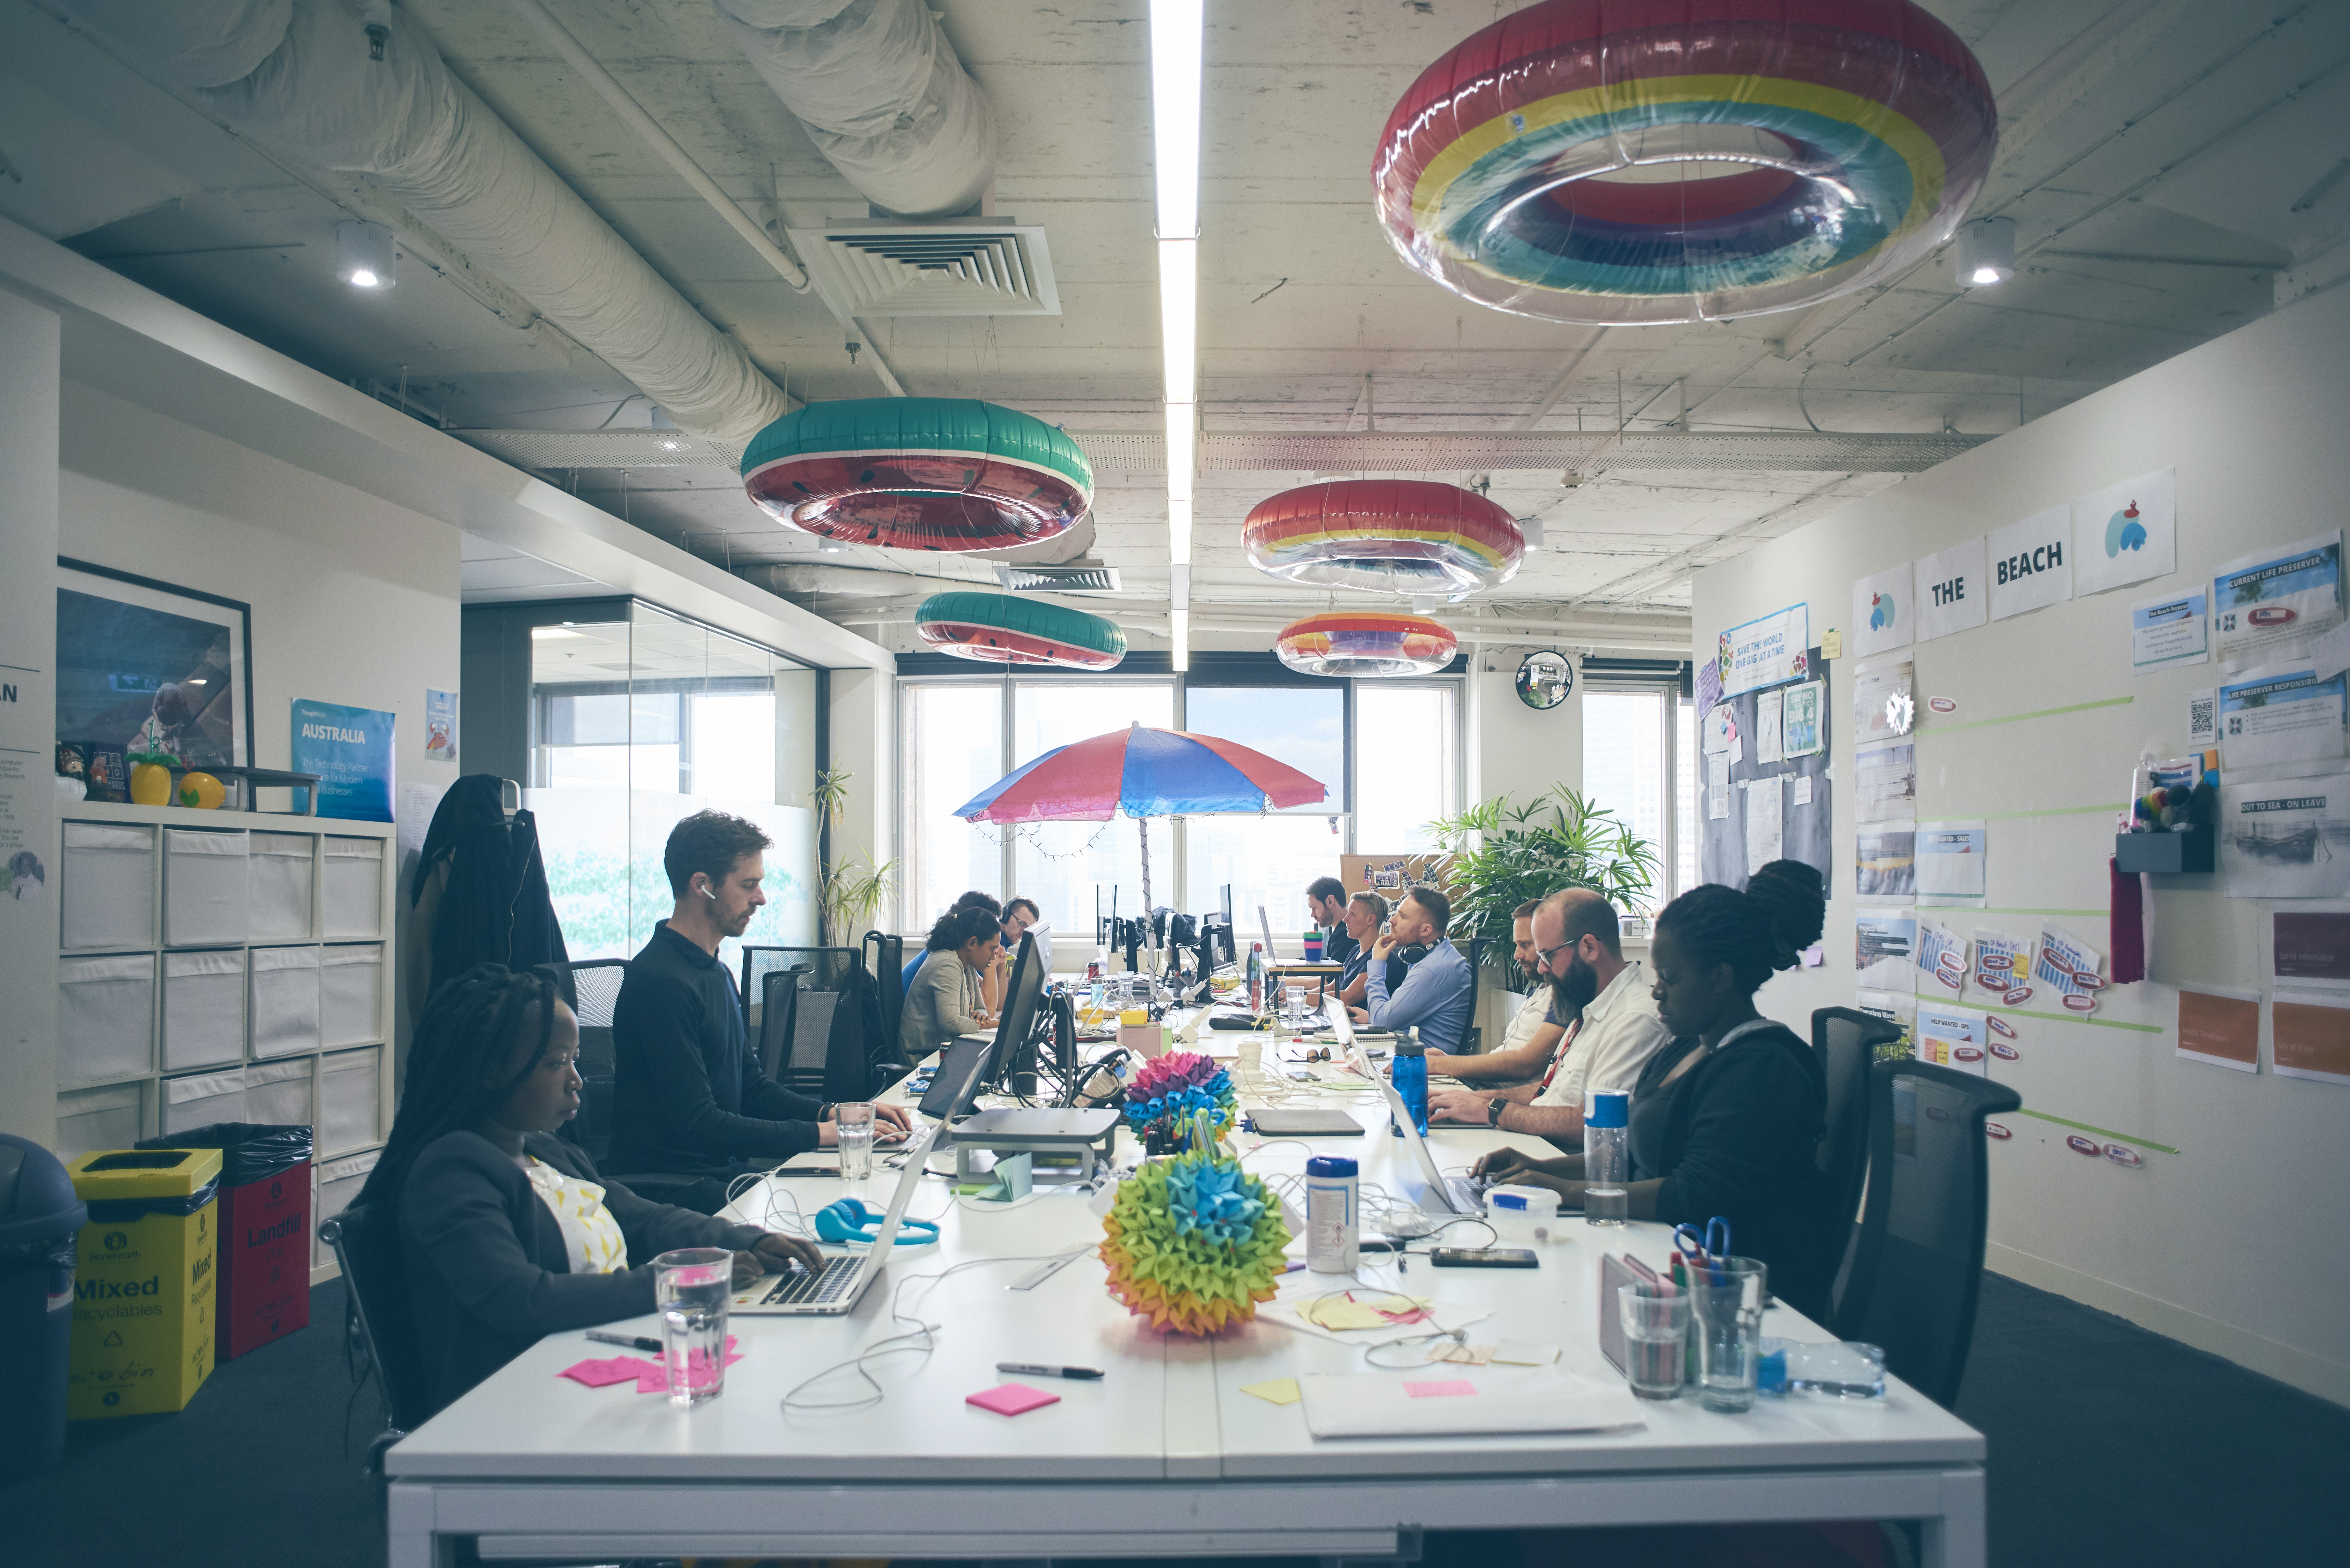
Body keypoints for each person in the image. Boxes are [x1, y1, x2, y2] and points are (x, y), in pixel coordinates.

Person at [360, 963, 827, 1415]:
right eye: (555, 1063)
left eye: (575, 1060)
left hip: (597, 1357)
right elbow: (526, 1300)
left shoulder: (547, 1152)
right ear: (490, 1071)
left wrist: (745, 1239)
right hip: (523, 1402)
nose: (576, 1080)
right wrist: (682, 1283)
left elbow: (644, 1217)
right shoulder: (451, 1173)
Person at [1471, 862, 1836, 1315]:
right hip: (1660, 1256)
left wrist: (1561, 1192)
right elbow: (1633, 1156)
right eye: (1658, 976)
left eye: (1671, 979)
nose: (1657, 991)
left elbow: (1693, 1196)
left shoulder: (1762, 1068)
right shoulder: (1684, 1048)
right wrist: (1542, 1167)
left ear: (1720, 978)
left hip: (1729, 1299)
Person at [610, 811, 910, 1213]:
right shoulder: (661, 982)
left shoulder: (713, 970)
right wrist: (823, 1134)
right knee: (828, 1206)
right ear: (703, 886)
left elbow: (750, 1087)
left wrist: (838, 1115)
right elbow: (699, 1124)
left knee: (867, 1187)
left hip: (716, 1174)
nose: (761, 898)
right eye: (748, 885)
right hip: (673, 1192)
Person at [1428, 888, 1670, 1141]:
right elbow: (1550, 1090)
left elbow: (1593, 1124)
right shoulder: (1587, 1005)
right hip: (1535, 1143)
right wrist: (1471, 1100)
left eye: (1548, 955)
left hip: (1559, 1156)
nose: (1542, 967)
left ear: (1589, 947)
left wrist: (1493, 1110)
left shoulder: (1634, 1019)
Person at [1418, 901, 1565, 1086]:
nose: (1517, 956)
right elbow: (1509, 1054)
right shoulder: (1538, 992)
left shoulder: (1564, 998)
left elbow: (1526, 1065)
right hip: (1487, 1085)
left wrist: (1445, 1064)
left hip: (1505, 1095)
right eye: (1517, 945)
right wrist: (1448, 1062)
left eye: (1526, 945)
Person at [1350, 885, 1474, 1055]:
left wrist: (1377, 964)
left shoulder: (1432, 970)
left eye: (1402, 917)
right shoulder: (1438, 955)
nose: (1392, 920)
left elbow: (1382, 1022)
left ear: (1426, 930)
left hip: (1430, 1071)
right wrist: (1372, 1016)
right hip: (1415, 1054)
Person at [901, 906, 1003, 1062]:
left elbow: (981, 1008)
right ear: (973, 943)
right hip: (925, 1058)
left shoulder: (966, 964)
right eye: (992, 948)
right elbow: (952, 1024)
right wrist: (998, 1024)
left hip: (946, 1051)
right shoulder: (947, 965)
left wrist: (981, 1016)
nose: (993, 956)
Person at [904, 889, 1001, 992]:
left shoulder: (964, 960)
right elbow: (989, 1005)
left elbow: (988, 1003)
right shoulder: (946, 961)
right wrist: (993, 961)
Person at [1332, 891, 1388, 1006]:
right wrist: (1300, 993)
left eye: (1352, 914)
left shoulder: (1381, 956)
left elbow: (1348, 998)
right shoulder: (1355, 950)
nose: (1345, 919)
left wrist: (1300, 997)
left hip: (1363, 1024)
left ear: (1370, 920)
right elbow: (1333, 986)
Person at [1306, 876, 1356, 965]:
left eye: (1315, 908)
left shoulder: (1346, 935)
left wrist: (1290, 980)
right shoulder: (1339, 933)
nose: (1313, 914)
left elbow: (1332, 978)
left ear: (1330, 901)